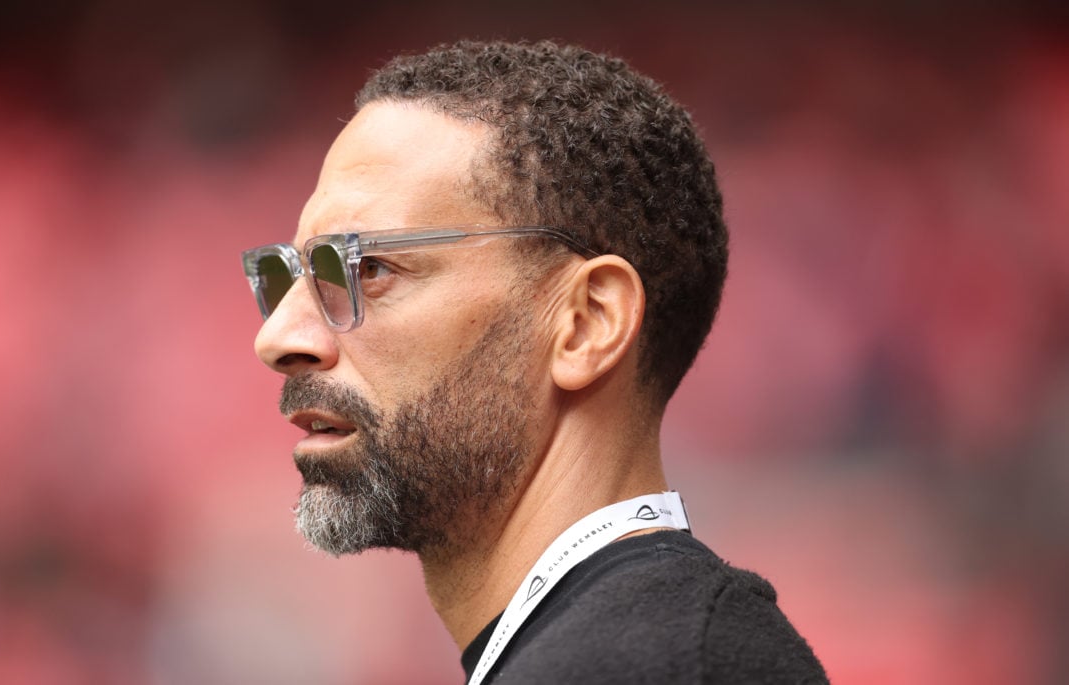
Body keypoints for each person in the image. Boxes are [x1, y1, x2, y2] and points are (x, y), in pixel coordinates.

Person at [242, 40, 827, 684]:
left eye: (367, 267)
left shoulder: (659, 669)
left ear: (586, 324)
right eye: (290, 276)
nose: (278, 337)